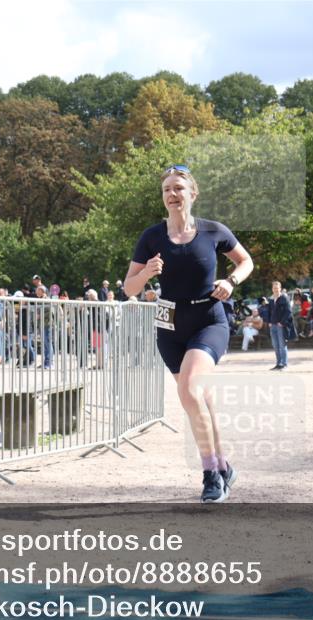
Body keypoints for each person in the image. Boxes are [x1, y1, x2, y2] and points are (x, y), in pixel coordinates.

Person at [124, 165, 253, 503]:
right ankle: (225, 466)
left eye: (179, 187)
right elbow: (129, 288)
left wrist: (230, 281)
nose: (172, 194)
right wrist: (148, 272)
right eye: (167, 189)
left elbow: (246, 262)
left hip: (209, 318)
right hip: (170, 325)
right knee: (200, 401)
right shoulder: (151, 237)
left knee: (189, 388)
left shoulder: (213, 231)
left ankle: (211, 473)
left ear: (192, 194)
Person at [267, 281, 292, 370]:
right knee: (275, 345)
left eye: (277, 288)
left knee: (282, 345)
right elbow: (269, 312)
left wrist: (282, 322)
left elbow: (288, 312)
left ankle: (284, 364)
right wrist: (269, 321)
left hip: (281, 325)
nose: (275, 289)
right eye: (274, 288)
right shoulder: (271, 299)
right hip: (272, 325)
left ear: (280, 288)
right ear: (272, 289)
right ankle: (278, 363)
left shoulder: (284, 298)